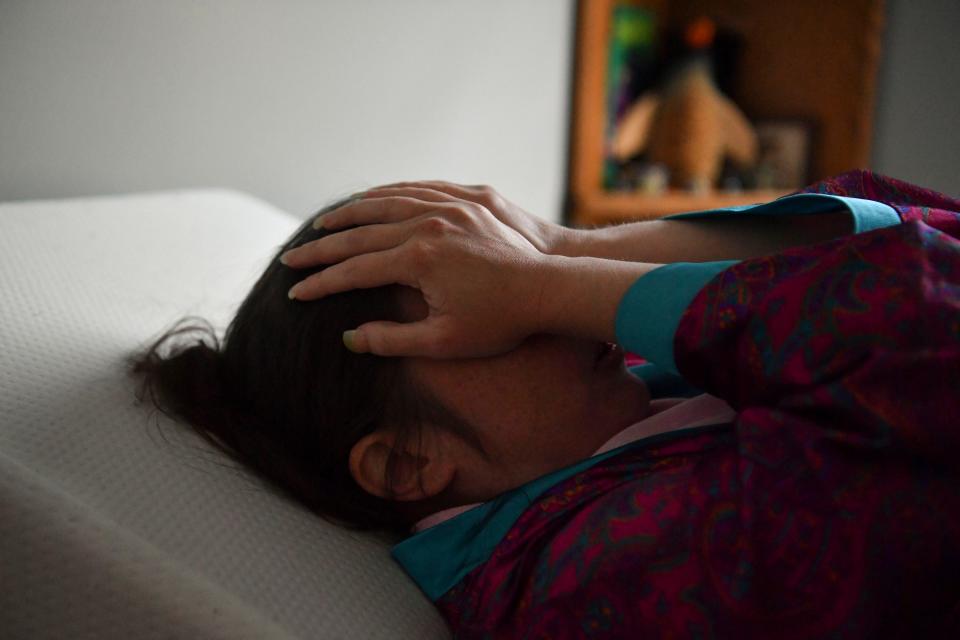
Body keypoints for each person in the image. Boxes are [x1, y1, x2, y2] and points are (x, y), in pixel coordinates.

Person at [131, 170, 960, 637]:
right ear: (409, 461)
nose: (555, 309)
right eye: (489, 317)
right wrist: (556, 283)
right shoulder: (585, 584)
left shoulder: (595, 414)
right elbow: (928, 331)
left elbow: (915, 238)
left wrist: (570, 250)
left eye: (510, 269)